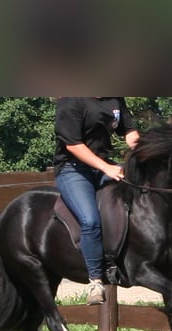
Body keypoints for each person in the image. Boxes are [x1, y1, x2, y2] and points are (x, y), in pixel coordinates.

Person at [53, 97, 140, 304]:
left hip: (104, 164)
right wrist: (106, 167)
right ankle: (96, 281)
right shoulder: (71, 102)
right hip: (73, 169)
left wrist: (143, 150)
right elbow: (74, 145)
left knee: (135, 200)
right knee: (90, 221)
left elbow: (129, 132)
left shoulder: (115, 99)